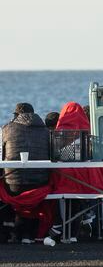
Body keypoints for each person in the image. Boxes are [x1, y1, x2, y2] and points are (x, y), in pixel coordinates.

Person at [49, 102, 103, 241]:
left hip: (65, 181)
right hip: (90, 184)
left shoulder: (59, 133)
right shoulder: (89, 132)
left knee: (60, 194)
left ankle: (63, 228)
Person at [0, 103, 50, 243]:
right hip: (40, 184)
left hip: (13, 185)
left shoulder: (6, 129)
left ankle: (9, 231)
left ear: (16, 115)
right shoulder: (46, 131)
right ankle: (27, 234)